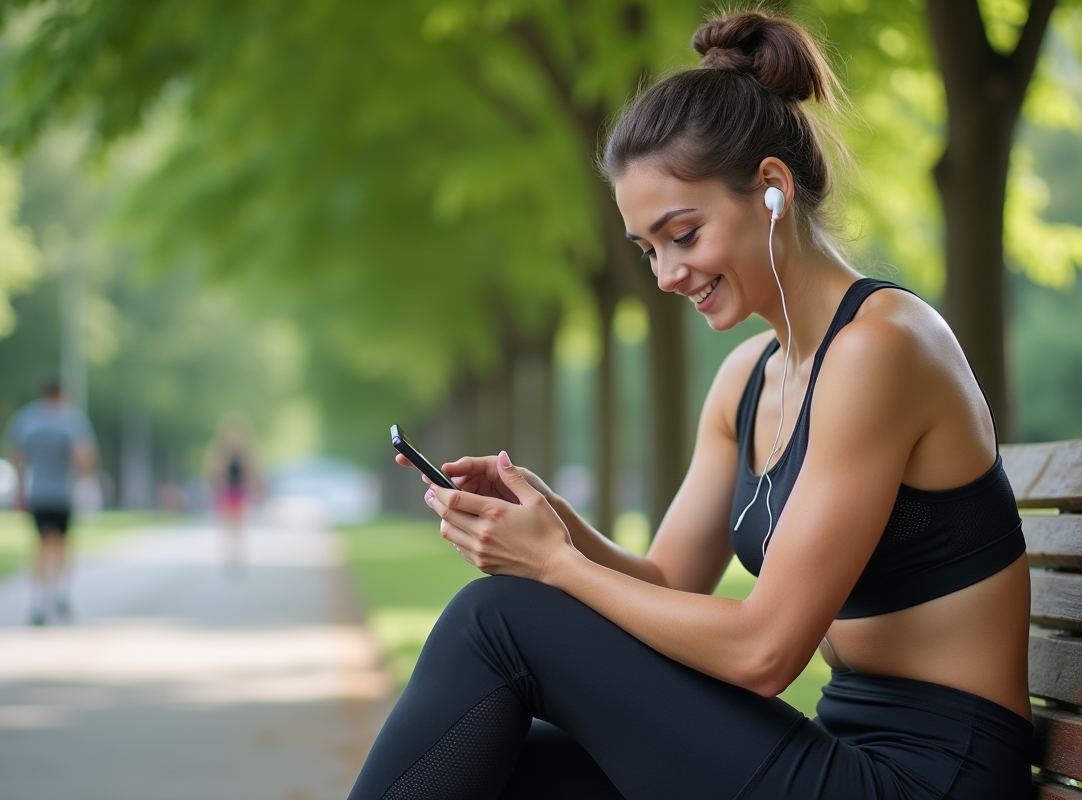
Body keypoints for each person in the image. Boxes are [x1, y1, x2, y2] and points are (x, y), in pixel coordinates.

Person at [351, 10, 1032, 799]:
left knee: (495, 621)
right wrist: (553, 521)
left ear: (772, 190)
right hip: (843, 749)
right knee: (506, 761)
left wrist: (552, 566)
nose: (666, 275)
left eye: (683, 233)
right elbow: (670, 581)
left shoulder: (883, 349)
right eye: (648, 250)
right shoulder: (747, 379)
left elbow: (765, 653)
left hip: (930, 779)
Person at [8, 376, 96, 626]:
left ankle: (38, 600)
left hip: (38, 492)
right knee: (62, 545)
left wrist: (19, 490)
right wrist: (84, 482)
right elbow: (83, 457)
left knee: (41, 545)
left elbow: (17, 456)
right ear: (61, 394)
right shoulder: (71, 420)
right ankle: (60, 593)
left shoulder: (26, 419)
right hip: (63, 493)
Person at [207, 416, 257, 571]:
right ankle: (228, 552)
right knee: (227, 523)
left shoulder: (246, 452)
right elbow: (214, 472)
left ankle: (237, 553)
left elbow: (252, 472)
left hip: (240, 491)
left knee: (238, 524)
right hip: (226, 490)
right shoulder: (221, 451)